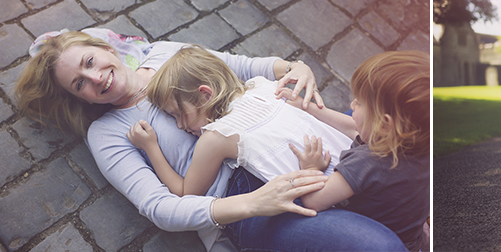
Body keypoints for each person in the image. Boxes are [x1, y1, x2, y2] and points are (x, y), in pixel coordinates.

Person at [13, 28, 406, 252]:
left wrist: (297, 66)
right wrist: (251, 202)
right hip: (244, 200)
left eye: (90, 62)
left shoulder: (168, 53)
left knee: (395, 195)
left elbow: (242, 66)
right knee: (377, 246)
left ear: (105, 48)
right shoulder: (109, 132)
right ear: (77, 97)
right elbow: (160, 207)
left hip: (299, 153)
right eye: (79, 83)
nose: (96, 78)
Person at [126, 45, 352, 196]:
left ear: (206, 94)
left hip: (327, 193)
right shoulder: (265, 86)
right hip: (354, 155)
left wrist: (151, 147)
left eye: (177, 113)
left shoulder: (215, 137)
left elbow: (186, 193)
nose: (179, 126)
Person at [291, 51, 430, 252]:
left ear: (384, 124)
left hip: (370, 239)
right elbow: (356, 127)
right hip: (413, 238)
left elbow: (313, 202)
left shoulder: (369, 162)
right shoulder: (417, 145)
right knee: (355, 119)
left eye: (359, 102)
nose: (352, 104)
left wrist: (312, 168)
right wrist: (310, 109)